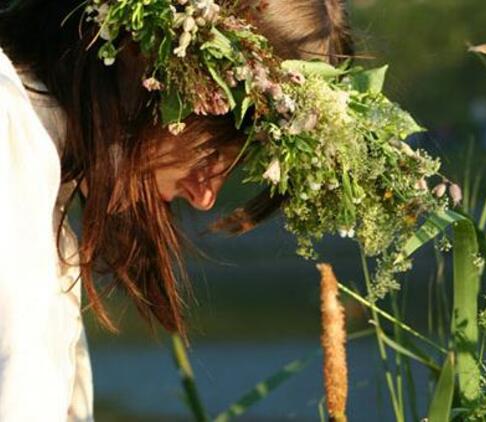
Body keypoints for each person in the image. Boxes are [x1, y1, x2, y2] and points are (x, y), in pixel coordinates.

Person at [0, 0, 352, 419]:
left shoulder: (39, 172)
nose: (205, 196)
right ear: (145, 63)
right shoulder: (11, 140)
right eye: (213, 152)